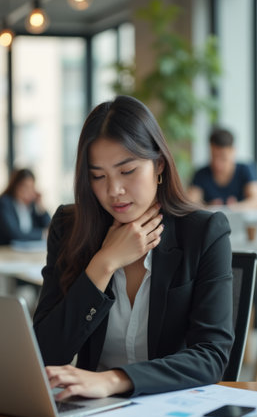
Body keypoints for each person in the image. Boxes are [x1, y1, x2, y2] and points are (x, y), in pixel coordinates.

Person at [33, 96, 234, 400]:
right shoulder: (69, 228)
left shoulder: (204, 233)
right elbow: (45, 353)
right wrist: (103, 264)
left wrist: (114, 380)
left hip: (169, 409)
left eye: (127, 171)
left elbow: (211, 356)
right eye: (98, 176)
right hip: (90, 414)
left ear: (159, 165)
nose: (114, 190)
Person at [187, 128, 257, 209]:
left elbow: (255, 201)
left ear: (233, 151)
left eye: (223, 158)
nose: (217, 164)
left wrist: (233, 208)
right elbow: (190, 203)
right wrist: (209, 208)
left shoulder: (245, 169)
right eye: (213, 157)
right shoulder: (201, 174)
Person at [0, 168, 51, 245]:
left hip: (28, 251)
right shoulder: (5, 203)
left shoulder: (32, 206)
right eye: (25, 187)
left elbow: (50, 227)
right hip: (7, 251)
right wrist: (42, 234)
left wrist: (40, 205)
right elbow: (14, 233)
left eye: (31, 187)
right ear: (16, 187)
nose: (29, 191)